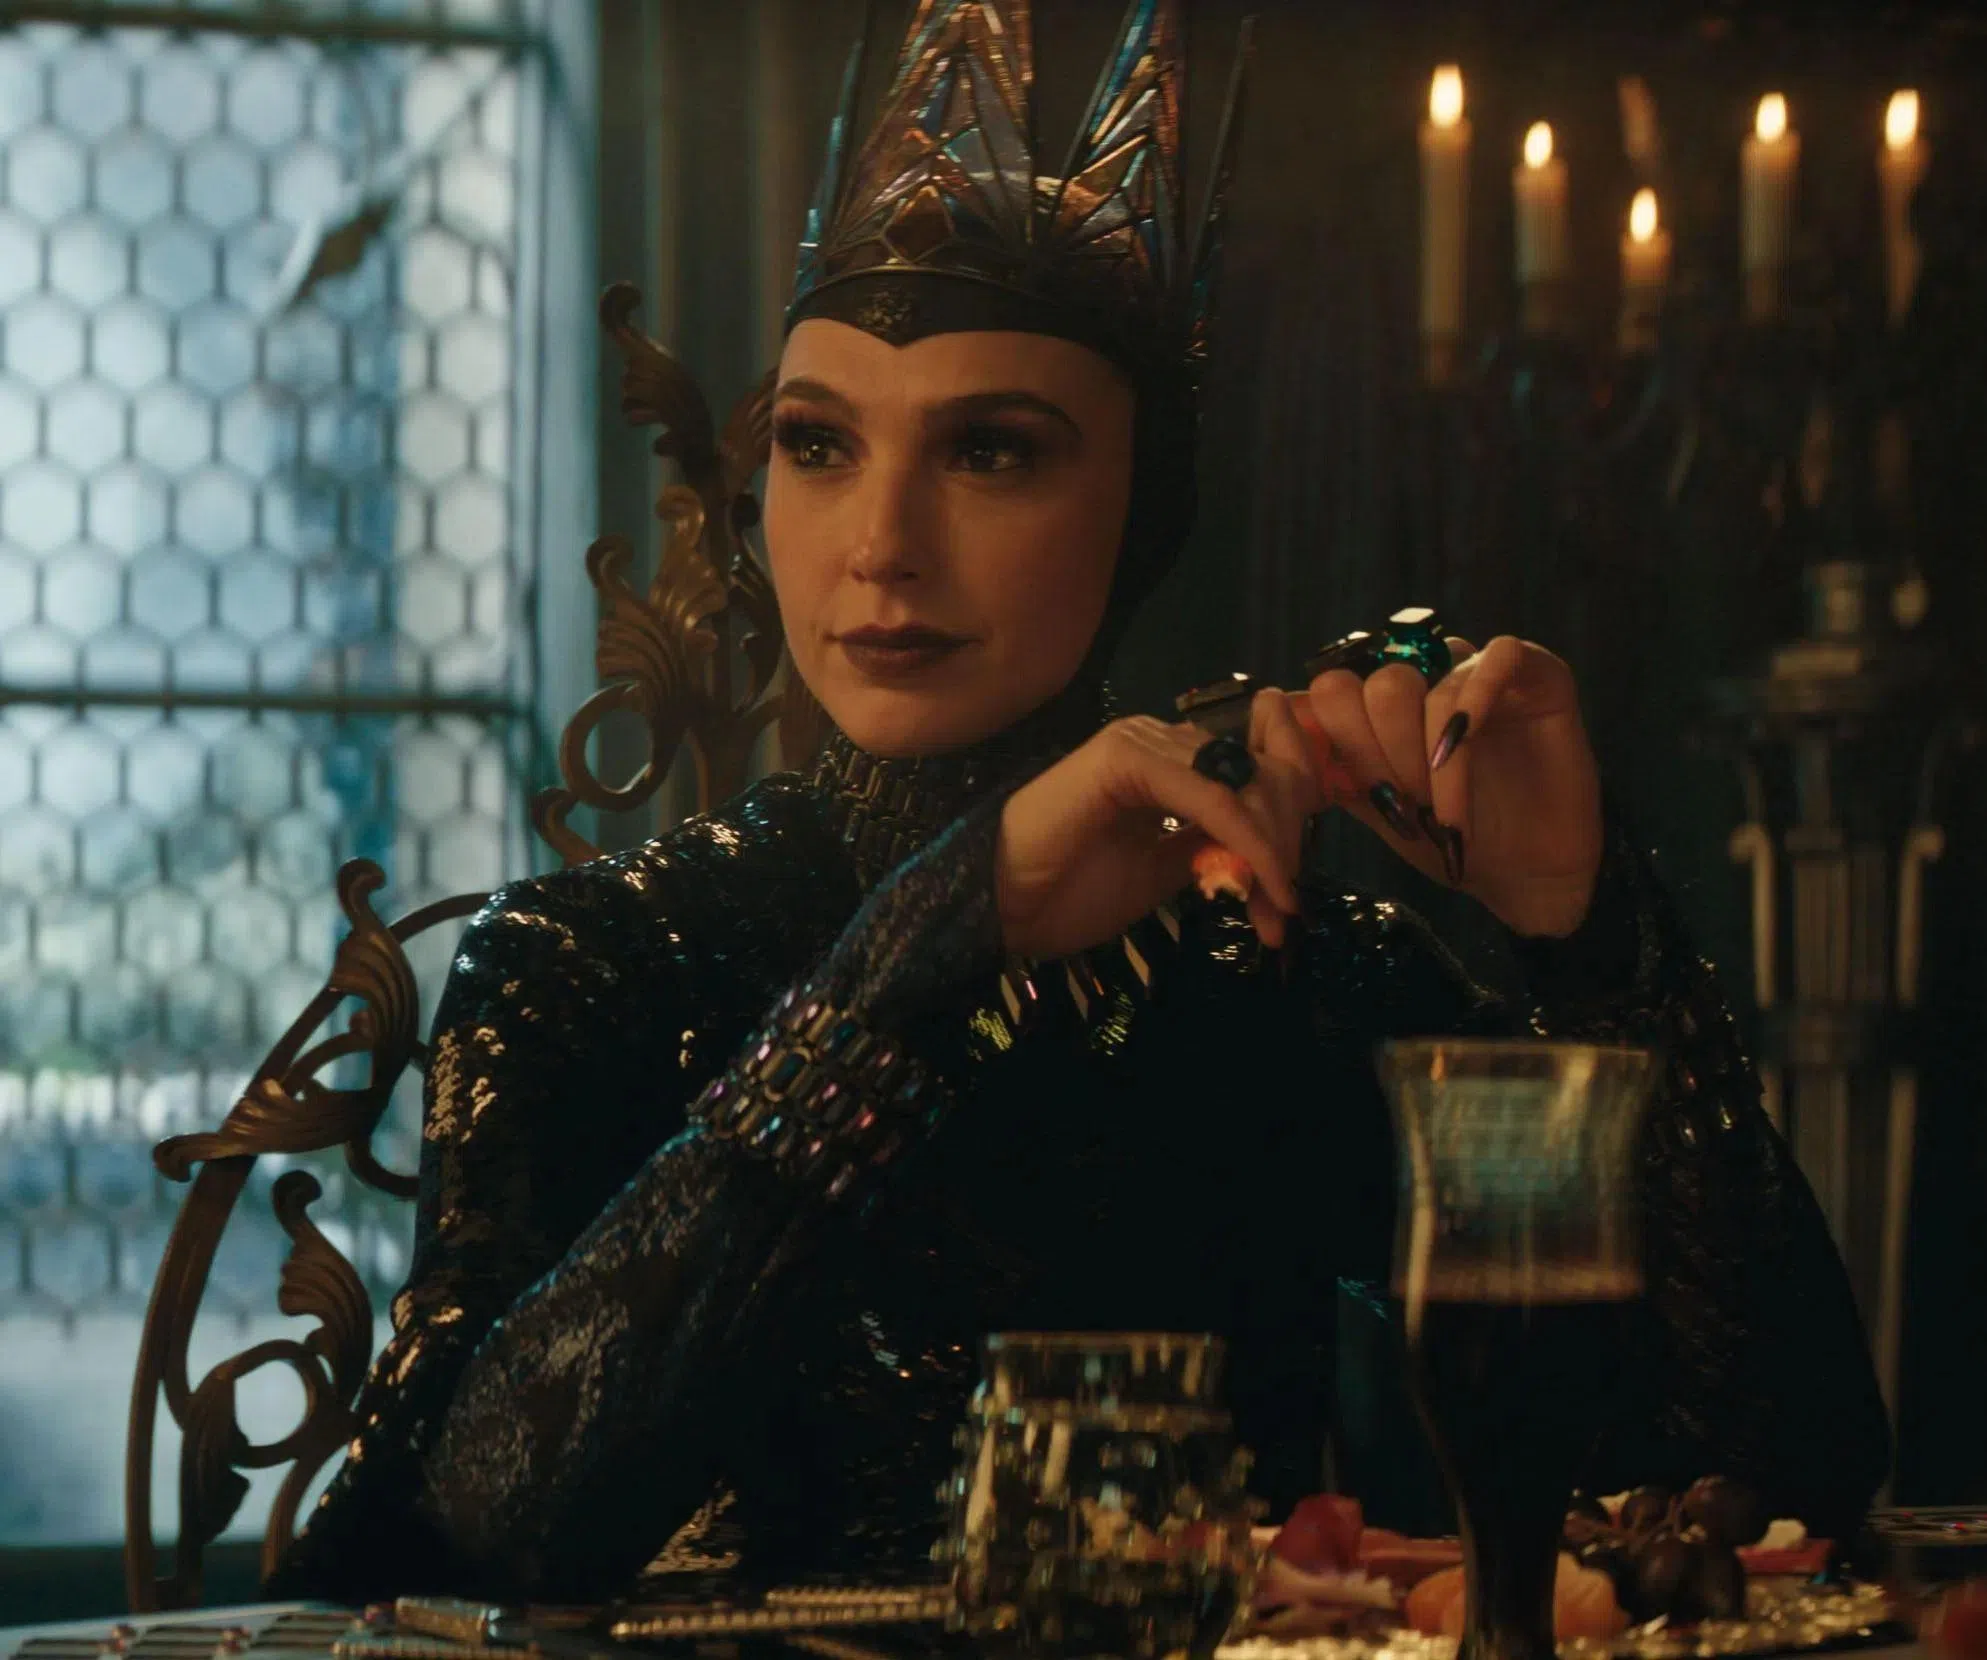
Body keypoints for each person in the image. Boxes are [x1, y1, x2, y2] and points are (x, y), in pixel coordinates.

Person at [268, 0, 1887, 1606]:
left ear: (1141, 513)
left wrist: (1586, 938)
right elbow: (458, 1547)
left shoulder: (1288, 975)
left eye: (991, 452)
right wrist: (926, 947)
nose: (880, 543)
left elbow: (1769, 1475)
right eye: (818, 445)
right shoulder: (588, 963)